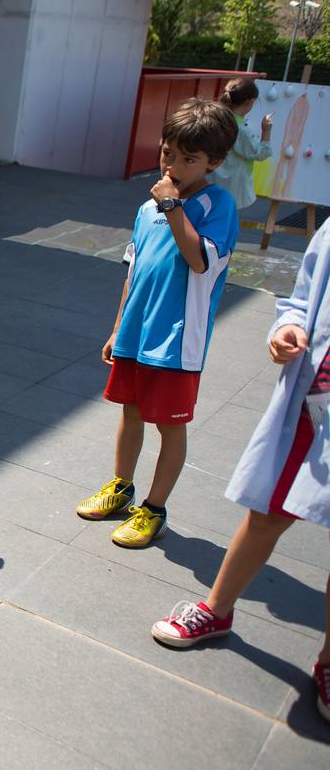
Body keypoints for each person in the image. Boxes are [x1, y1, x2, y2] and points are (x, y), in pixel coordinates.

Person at [147, 220, 330, 722]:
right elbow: (303, 299)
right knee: (267, 512)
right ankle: (217, 608)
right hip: (317, 403)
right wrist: (285, 330)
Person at [76, 98, 240, 548]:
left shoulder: (216, 205)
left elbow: (200, 261)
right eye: (169, 153)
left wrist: (173, 208)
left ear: (215, 162)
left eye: (190, 159)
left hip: (176, 339)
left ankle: (154, 507)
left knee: (169, 424)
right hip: (137, 332)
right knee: (130, 413)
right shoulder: (147, 208)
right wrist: (117, 328)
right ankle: (121, 487)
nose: (175, 165)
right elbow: (133, 271)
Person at [216, 77, 273, 211]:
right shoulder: (240, 129)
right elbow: (259, 153)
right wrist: (266, 131)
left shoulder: (217, 117)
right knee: (224, 222)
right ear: (250, 102)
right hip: (231, 185)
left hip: (212, 179)